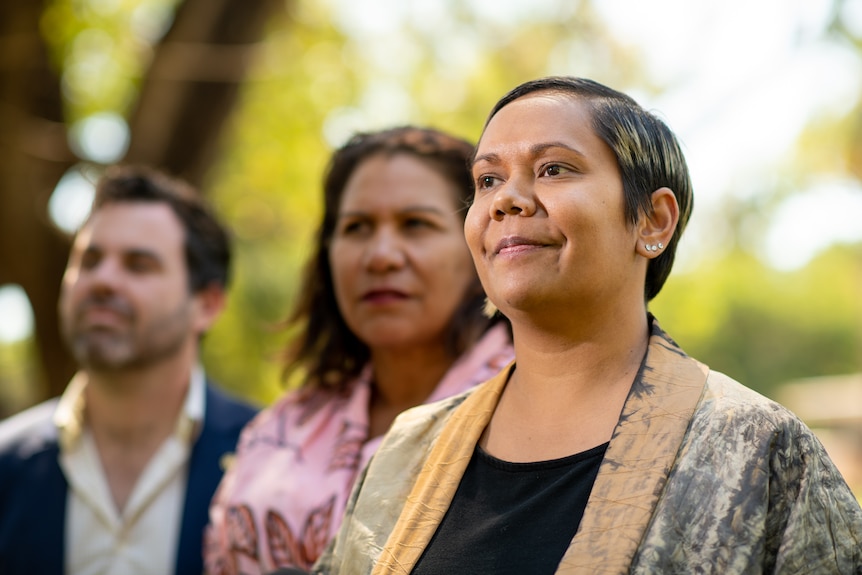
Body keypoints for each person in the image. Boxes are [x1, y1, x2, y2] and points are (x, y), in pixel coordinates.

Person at [312, 77, 862, 574]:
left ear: (653, 219)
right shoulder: (410, 448)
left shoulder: (756, 449)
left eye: (553, 169)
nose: (506, 199)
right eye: (486, 180)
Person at [204, 126, 514, 574]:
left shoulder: (532, 407)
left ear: (479, 243)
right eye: (357, 227)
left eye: (416, 225)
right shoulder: (290, 422)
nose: (381, 256)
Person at [0, 165, 258, 575]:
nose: (103, 281)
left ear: (206, 305)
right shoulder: (6, 463)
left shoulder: (270, 460)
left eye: (138, 265)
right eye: (90, 260)